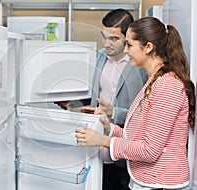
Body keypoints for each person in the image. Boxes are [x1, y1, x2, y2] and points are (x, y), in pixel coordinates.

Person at [75, 16, 196, 189]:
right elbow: (139, 134)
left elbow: (149, 150)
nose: (126, 51)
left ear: (148, 47)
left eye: (130, 45)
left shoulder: (167, 85)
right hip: (149, 180)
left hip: (162, 182)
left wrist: (104, 140)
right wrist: (110, 128)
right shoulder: (154, 80)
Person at [58, 9, 147, 190]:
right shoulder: (98, 57)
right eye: (103, 36)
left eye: (113, 39)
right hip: (96, 143)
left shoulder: (141, 67)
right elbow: (93, 98)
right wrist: (71, 103)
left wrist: (115, 112)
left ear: (128, 37)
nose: (106, 44)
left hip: (124, 147)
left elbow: (144, 113)